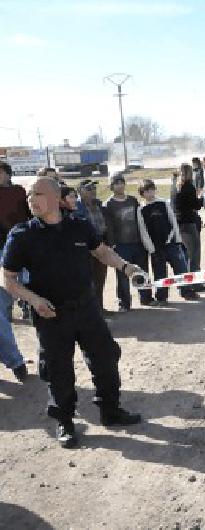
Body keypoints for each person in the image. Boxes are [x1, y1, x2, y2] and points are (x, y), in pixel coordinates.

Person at [1, 177, 144, 448]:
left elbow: (101, 252)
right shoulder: (22, 235)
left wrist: (127, 267)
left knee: (105, 359)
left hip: (87, 308)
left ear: (56, 198)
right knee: (58, 371)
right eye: (29, 195)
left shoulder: (79, 226)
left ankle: (110, 411)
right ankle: (65, 422)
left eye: (38, 194)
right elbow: (7, 279)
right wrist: (34, 300)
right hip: (51, 315)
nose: (31, 200)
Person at [137, 179, 198, 304]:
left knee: (181, 268)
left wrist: (177, 239)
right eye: (147, 191)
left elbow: (173, 222)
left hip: (172, 244)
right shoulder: (141, 209)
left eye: (152, 189)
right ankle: (162, 296)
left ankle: (186, 291)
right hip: (156, 248)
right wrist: (151, 249)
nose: (150, 193)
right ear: (142, 193)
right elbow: (143, 230)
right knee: (160, 273)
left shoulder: (163, 203)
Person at [103, 175, 153, 311]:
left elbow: (140, 221)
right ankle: (124, 303)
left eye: (121, 182)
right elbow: (109, 226)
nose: (119, 185)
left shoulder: (132, 200)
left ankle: (146, 298)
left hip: (137, 243)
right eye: (116, 183)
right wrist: (113, 245)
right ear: (111, 186)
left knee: (142, 272)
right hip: (121, 245)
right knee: (122, 275)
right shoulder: (108, 204)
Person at [0, 160, 29, 381]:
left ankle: (15, 361)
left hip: (15, 250)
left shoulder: (19, 192)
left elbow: (29, 218)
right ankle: (15, 361)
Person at [75, 180, 110, 313]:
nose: (92, 190)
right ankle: (91, 310)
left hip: (101, 244)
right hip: (86, 248)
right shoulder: (76, 206)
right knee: (88, 281)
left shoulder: (99, 204)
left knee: (100, 278)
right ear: (80, 191)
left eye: (94, 187)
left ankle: (100, 308)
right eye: (88, 188)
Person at [172, 163, 205, 291]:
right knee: (195, 254)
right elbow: (196, 205)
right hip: (188, 222)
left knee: (186, 255)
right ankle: (195, 283)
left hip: (178, 223)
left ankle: (187, 281)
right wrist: (202, 197)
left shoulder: (175, 186)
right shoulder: (189, 187)